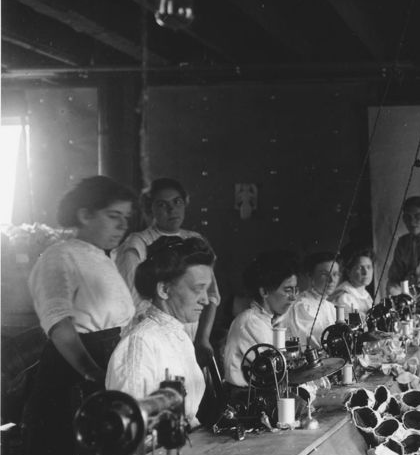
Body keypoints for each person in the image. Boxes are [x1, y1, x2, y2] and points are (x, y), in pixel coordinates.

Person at [23, 176, 136, 455]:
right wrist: (92, 373)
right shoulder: (60, 256)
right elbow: (59, 325)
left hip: (103, 367)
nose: (122, 225)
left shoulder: (102, 257)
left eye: (126, 218)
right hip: (73, 373)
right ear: (85, 215)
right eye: (113, 216)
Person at [106, 237, 214, 426]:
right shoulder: (141, 343)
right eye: (198, 289)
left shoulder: (179, 336)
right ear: (164, 289)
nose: (205, 300)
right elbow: (128, 425)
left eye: (207, 290)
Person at [115, 178, 220, 362]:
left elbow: (210, 296)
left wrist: (202, 339)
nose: (172, 210)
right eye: (162, 204)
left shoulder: (195, 240)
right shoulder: (137, 244)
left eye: (177, 202)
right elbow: (135, 301)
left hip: (190, 333)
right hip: (156, 333)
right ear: (151, 209)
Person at [223, 251, 299, 387]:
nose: (293, 297)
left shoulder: (266, 320)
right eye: (287, 290)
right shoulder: (250, 323)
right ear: (264, 292)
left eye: (295, 290)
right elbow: (280, 371)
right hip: (247, 400)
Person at [282, 251, 341, 350]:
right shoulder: (301, 306)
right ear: (310, 276)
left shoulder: (330, 306)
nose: (331, 280)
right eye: (325, 274)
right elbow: (310, 344)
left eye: (335, 274)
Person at [332, 248, 375, 317]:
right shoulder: (344, 297)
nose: (366, 272)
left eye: (369, 267)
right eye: (360, 268)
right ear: (349, 272)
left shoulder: (366, 295)